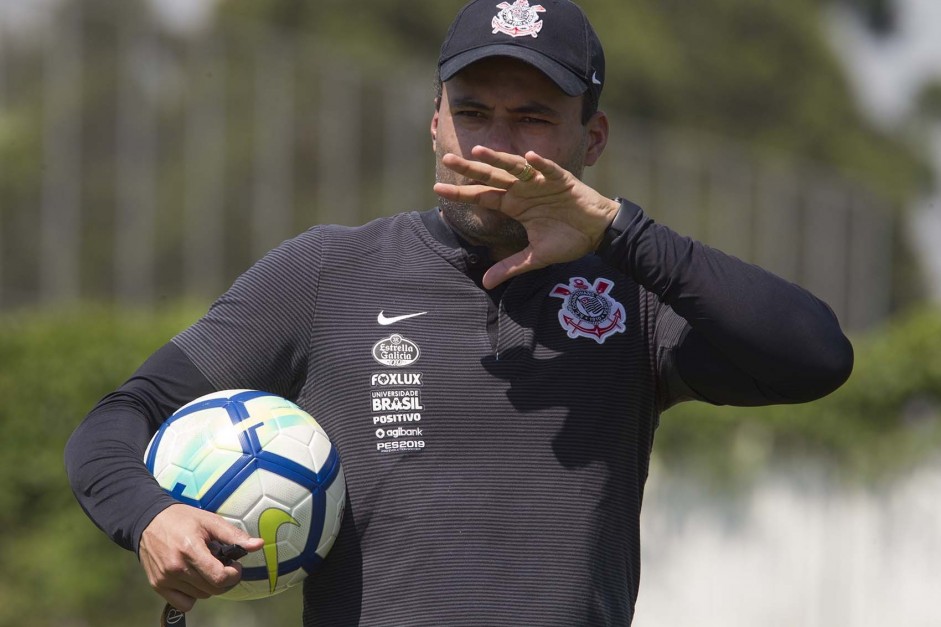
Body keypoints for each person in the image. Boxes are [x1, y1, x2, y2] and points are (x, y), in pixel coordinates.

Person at [65, 0, 854, 624]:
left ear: (593, 136)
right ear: (434, 121)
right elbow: (117, 420)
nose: (493, 144)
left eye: (533, 117)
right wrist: (153, 517)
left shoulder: (633, 295)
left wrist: (619, 232)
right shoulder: (327, 270)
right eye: (472, 112)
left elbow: (816, 355)